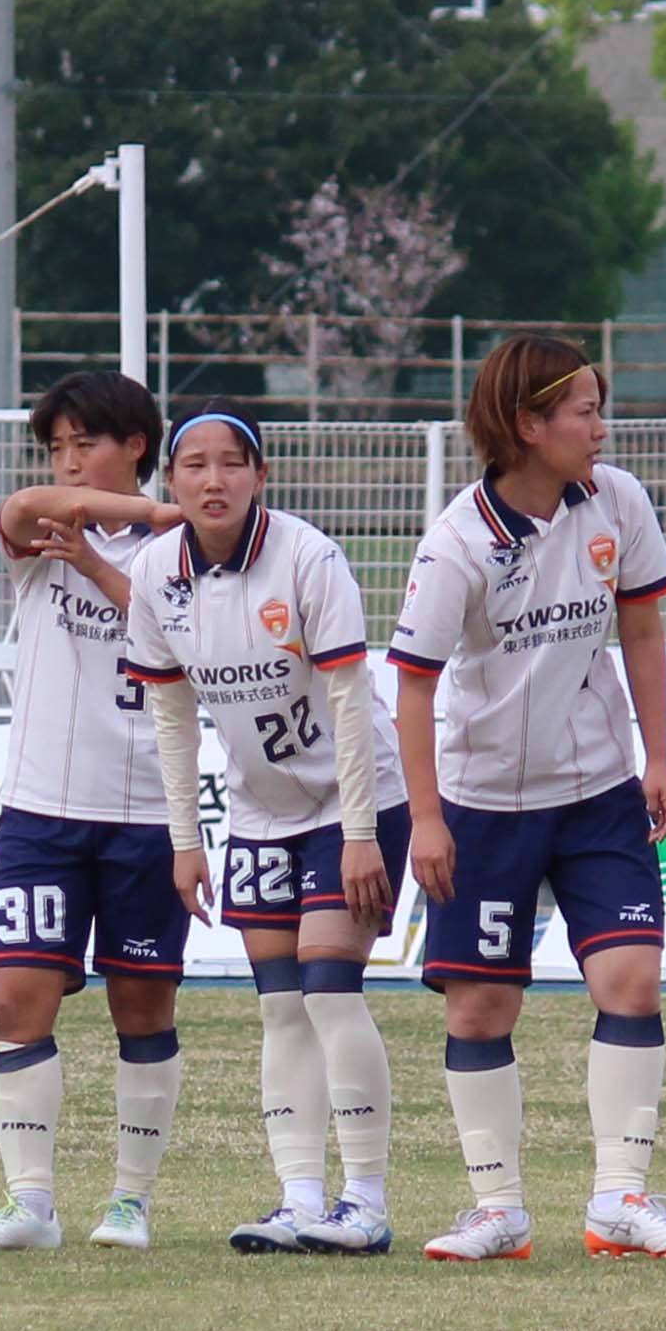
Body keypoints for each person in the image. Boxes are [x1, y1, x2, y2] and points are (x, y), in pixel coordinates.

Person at [389, 333, 666, 1262]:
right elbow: (412, 687)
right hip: (484, 805)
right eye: (585, 412)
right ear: (529, 425)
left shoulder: (619, 501)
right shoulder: (457, 544)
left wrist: (657, 758)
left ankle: (621, 1200)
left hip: (599, 792)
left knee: (631, 980)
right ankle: (498, 1211)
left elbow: (641, 630)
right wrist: (428, 819)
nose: (601, 429)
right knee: (480, 1012)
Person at [117, 410, 408, 1254]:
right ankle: (299, 1200)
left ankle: (365, 1203)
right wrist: (187, 839)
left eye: (231, 464)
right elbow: (172, 716)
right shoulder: (154, 572)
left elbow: (351, 700)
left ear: (260, 475)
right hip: (260, 813)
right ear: (170, 481)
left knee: (329, 990)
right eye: (194, 465)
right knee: (281, 1005)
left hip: (354, 804)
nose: (213, 481)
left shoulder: (309, 558)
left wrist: (361, 834)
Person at [0, 371, 194, 1254]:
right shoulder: (45, 530)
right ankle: (30, 1203)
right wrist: (126, 517)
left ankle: (130, 1203)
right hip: (40, 812)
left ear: (136, 446)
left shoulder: (185, 552)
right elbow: (19, 509)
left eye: (84, 443)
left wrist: (109, 555)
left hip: (148, 814)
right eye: (56, 448)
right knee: (18, 1002)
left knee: (144, 1009)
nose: (67, 463)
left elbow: (178, 639)